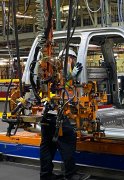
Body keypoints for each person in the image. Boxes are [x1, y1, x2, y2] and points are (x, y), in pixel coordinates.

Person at [40, 48, 90, 180]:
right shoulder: (65, 65)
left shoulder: (50, 69)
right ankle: (71, 174)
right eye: (72, 59)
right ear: (71, 58)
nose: (72, 61)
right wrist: (72, 76)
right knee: (68, 140)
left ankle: (46, 175)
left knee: (47, 145)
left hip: (46, 113)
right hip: (58, 112)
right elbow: (64, 84)